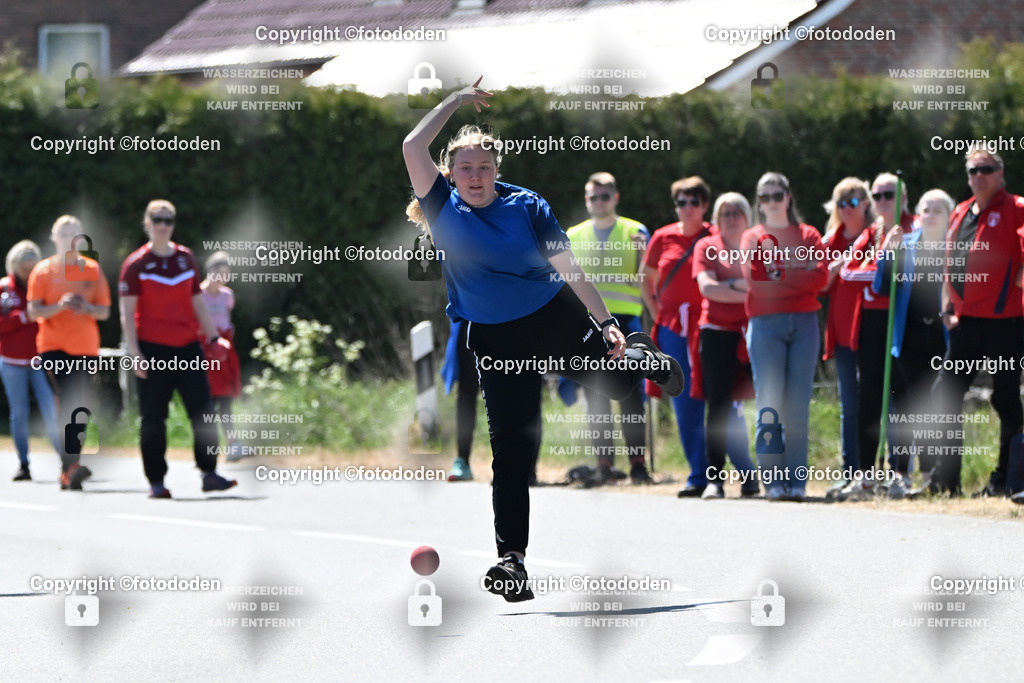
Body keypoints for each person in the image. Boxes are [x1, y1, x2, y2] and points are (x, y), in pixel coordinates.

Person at [403, 77, 682, 602]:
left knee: (619, 389)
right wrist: (456, 101)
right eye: (466, 168)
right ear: (450, 174)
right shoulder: (442, 206)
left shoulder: (527, 206)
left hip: (551, 316)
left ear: (497, 171)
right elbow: (411, 145)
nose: (476, 176)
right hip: (493, 338)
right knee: (510, 449)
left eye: (485, 167)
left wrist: (608, 326)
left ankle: (640, 354)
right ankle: (512, 560)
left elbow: (570, 269)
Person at [119, 200, 238, 499]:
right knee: (154, 418)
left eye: (168, 220)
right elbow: (127, 313)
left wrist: (212, 338)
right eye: (157, 219)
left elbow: (197, 302)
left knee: (203, 411)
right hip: (152, 350)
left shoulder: (185, 259)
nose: (163, 225)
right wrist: (135, 353)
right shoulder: (136, 265)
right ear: (146, 223)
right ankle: (157, 481)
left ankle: (209, 473)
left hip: (188, 348)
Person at [930, 149, 1024, 496]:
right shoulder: (961, 211)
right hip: (966, 324)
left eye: (987, 169)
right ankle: (946, 480)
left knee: (1006, 400)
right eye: (973, 170)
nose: (979, 175)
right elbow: (948, 264)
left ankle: (1007, 480)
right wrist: (946, 311)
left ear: (1001, 173)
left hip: (1006, 323)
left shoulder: (1016, 207)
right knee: (945, 393)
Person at [739, 172, 827, 501]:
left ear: (788, 198)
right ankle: (773, 482)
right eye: (765, 197)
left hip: (804, 323)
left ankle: (797, 482)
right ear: (758, 202)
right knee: (770, 406)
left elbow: (819, 279)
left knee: (798, 407)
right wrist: (795, 270)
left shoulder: (808, 234)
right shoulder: (752, 237)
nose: (772, 202)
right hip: (765, 325)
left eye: (778, 195)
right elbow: (756, 281)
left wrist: (777, 270)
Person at [566, 172, 651, 485]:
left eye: (605, 196)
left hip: (627, 322)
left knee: (631, 397)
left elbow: (645, 279)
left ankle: (639, 465)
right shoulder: (573, 235)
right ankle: (604, 465)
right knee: (595, 396)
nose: (599, 202)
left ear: (615, 198)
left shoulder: (635, 231)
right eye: (593, 197)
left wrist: (643, 255)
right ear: (586, 200)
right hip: (590, 325)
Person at [873, 189, 955, 498]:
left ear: (949, 216)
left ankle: (931, 474)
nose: (931, 215)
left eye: (938, 210)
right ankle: (901, 473)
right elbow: (881, 286)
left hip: (942, 336)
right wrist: (887, 252)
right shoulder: (904, 244)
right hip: (908, 338)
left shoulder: (955, 246)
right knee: (905, 407)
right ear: (918, 214)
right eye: (926, 209)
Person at [26, 215, 111, 491]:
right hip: (54, 348)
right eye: (63, 234)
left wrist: (86, 308)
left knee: (82, 408)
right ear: (55, 238)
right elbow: (33, 310)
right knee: (71, 401)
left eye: (74, 234)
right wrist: (59, 306)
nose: (69, 239)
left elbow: (104, 311)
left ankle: (68, 468)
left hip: (85, 349)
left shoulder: (92, 270)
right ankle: (70, 465)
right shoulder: (43, 271)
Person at [641, 177, 713, 497]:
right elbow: (646, 280)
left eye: (693, 202)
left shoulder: (715, 235)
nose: (686, 208)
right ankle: (699, 475)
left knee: (722, 399)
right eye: (681, 202)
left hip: (711, 325)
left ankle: (740, 472)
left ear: (704, 206)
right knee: (684, 400)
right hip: (673, 328)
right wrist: (659, 315)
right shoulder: (662, 237)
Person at [691, 193, 759, 498]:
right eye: (725, 213)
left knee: (763, 403)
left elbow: (769, 286)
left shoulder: (759, 245)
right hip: (716, 333)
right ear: (717, 219)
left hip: (756, 331)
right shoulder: (706, 246)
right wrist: (745, 289)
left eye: (737, 212)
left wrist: (728, 286)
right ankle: (714, 479)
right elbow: (707, 289)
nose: (731, 218)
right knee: (718, 407)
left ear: (748, 216)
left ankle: (766, 476)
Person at [817, 178, 876, 498]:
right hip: (842, 333)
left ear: (865, 203)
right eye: (841, 204)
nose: (847, 209)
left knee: (883, 401)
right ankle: (851, 471)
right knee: (849, 405)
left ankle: (886, 470)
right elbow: (820, 285)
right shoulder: (831, 240)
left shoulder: (877, 235)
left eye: (853, 202)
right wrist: (838, 264)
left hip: (873, 330)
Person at [1, 241, 62, 481]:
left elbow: (53, 317)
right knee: (20, 414)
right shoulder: (4, 289)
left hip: (40, 360)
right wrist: (24, 317)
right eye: (24, 268)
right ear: (14, 266)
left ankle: (65, 462)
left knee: (51, 409)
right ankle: (24, 464)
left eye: (31, 267)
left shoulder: (44, 284)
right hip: (12, 361)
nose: (28, 273)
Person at [200, 251, 245, 461]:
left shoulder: (228, 295)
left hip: (225, 351)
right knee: (206, 400)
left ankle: (232, 443)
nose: (222, 278)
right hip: (206, 349)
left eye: (226, 274)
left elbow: (227, 319)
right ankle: (207, 447)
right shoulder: (198, 295)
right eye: (218, 273)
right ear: (209, 271)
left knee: (225, 399)